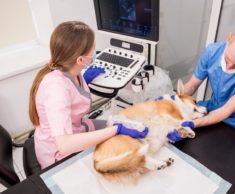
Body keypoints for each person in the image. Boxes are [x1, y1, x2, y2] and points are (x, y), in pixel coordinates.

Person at [29, 21, 148, 169]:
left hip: (77, 127)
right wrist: (115, 130)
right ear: (80, 60)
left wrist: (82, 81)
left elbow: (70, 93)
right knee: (117, 150)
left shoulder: (69, 72)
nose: (95, 53)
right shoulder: (56, 90)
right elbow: (64, 145)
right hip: (59, 154)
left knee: (121, 124)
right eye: (93, 50)